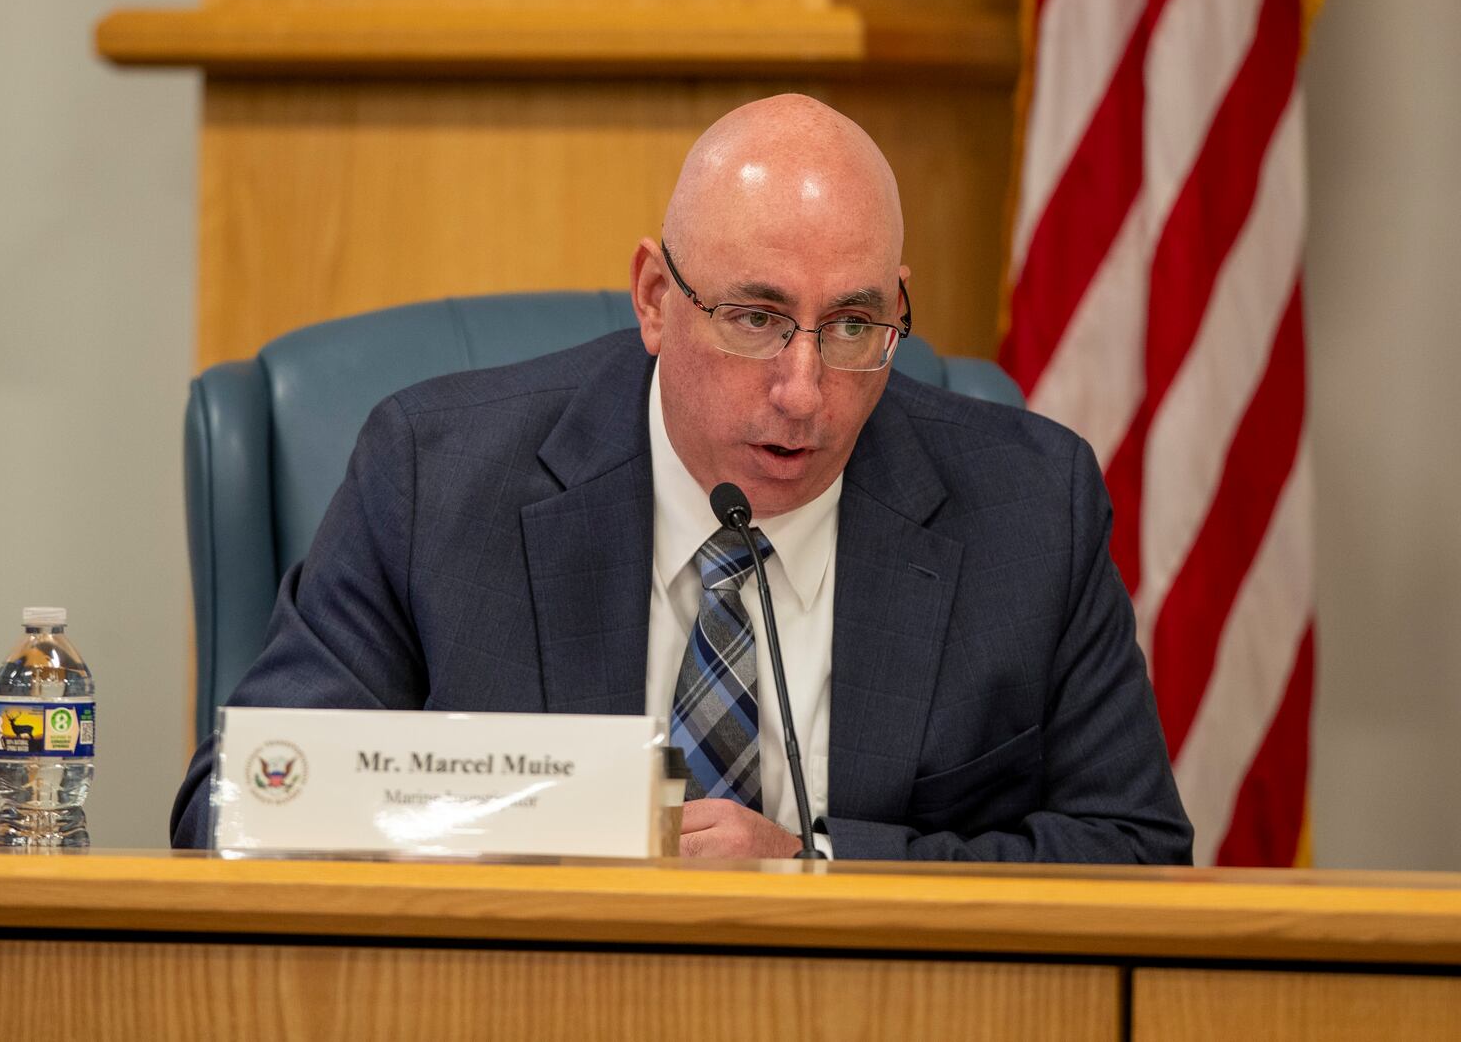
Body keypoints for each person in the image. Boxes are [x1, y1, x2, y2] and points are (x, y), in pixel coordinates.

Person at [171, 94, 1192, 862]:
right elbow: (237, 800)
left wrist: (812, 866)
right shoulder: (437, 478)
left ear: (898, 305)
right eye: (754, 318)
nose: (803, 391)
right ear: (656, 298)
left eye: (851, 326)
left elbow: (1135, 849)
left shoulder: (1027, 507)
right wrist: (544, 821)